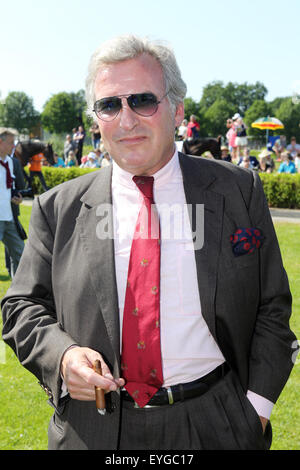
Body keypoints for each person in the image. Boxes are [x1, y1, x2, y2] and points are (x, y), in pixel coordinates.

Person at [1, 35, 297, 451]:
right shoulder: (57, 207)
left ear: (176, 109)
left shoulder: (237, 190)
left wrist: (256, 410)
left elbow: (272, 306)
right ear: (96, 118)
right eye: (109, 105)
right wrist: (63, 357)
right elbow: (20, 307)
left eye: (142, 100)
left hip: (215, 423)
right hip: (94, 429)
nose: (126, 119)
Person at [0, 128, 25, 278]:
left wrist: (18, 198)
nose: (13, 146)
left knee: (21, 256)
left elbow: (15, 189)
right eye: (10, 143)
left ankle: (17, 294)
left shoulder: (12, 162)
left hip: (10, 218)